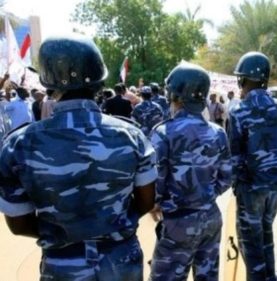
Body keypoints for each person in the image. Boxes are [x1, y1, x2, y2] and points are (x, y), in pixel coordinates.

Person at [0, 36, 157, 281]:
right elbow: (147, 201)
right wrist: (115, 226)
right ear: (98, 79)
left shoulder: (18, 145)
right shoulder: (132, 136)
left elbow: (18, 225)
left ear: (48, 83)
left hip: (61, 264)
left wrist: (60, 234)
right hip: (121, 260)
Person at [149, 62, 232, 281]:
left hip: (178, 221)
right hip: (211, 218)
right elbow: (226, 177)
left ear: (175, 96)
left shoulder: (163, 133)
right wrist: (204, 196)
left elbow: (155, 184)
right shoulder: (218, 132)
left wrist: (158, 204)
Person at [228, 51, 277, 281]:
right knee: (266, 235)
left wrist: (236, 185)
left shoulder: (238, 111)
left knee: (251, 242)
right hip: (275, 185)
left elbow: (234, 156)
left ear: (243, 79)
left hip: (250, 188)